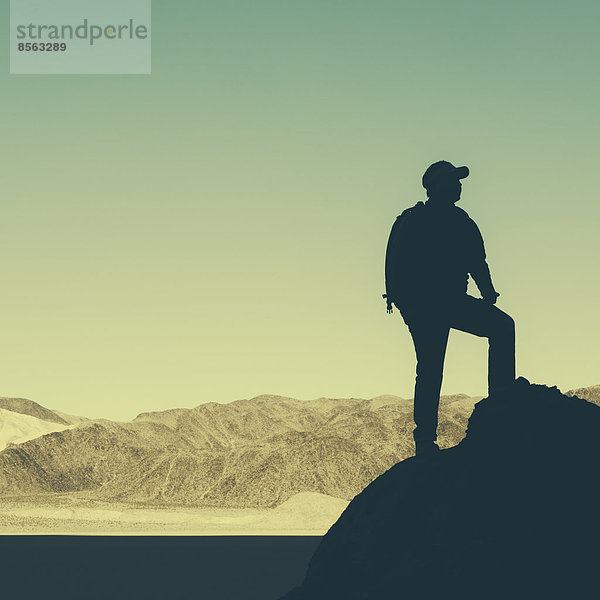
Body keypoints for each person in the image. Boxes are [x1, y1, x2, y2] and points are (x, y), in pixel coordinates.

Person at [384, 160, 516, 456]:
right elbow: (477, 262)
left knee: (429, 370)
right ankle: (502, 402)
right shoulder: (459, 220)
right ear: (437, 186)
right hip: (447, 303)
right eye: (453, 180)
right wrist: (488, 294)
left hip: (420, 308)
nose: (459, 185)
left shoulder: (412, 219)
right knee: (503, 327)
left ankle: (425, 441)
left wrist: (407, 307)